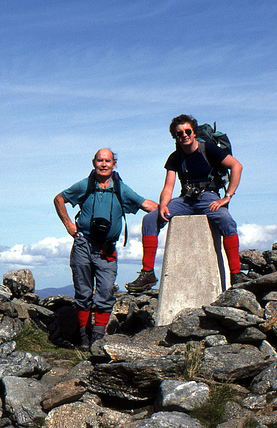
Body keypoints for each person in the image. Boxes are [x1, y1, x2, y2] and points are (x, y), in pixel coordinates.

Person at [126, 114, 244, 293]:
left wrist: (227, 196)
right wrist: (163, 205)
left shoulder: (209, 149)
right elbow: (168, 187)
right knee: (150, 219)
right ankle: (148, 273)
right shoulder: (175, 157)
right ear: (175, 136)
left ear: (194, 132)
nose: (184, 135)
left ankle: (236, 274)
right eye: (179, 133)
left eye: (187, 131)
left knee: (226, 220)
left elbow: (236, 166)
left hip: (208, 197)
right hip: (185, 200)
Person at [54, 148, 157, 349]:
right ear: (94, 163)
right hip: (83, 243)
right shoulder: (85, 185)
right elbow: (59, 199)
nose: (103, 164)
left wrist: (168, 210)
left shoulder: (121, 188)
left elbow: (146, 204)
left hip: (107, 249)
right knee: (83, 292)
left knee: (105, 291)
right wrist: (68, 224)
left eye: (107, 161)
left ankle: (97, 338)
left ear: (113, 164)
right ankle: (84, 337)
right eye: (100, 160)